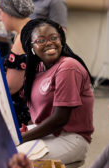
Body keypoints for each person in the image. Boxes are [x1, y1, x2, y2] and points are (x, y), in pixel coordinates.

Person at [17, 18, 94, 166]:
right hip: (51, 134)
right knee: (1, 146)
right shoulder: (39, 68)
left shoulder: (68, 67)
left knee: (13, 158)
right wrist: (26, 131)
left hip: (71, 138)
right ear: (31, 47)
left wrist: (23, 138)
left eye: (54, 38)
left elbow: (60, 118)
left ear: (61, 40)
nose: (49, 43)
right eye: (41, 40)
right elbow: (41, 113)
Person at [0, 0, 34, 126]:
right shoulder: (28, 29)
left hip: (21, 114)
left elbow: (11, 87)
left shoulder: (23, 38)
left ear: (8, 11)